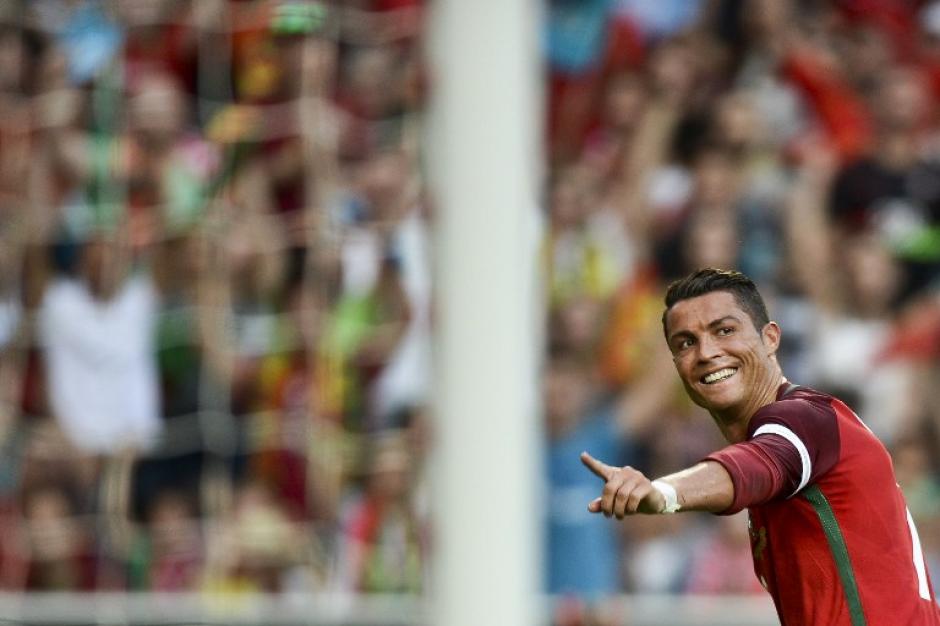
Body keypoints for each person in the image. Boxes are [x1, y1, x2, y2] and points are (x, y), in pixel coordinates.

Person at [581, 268, 940, 625]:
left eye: (724, 331)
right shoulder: (800, 445)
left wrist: (662, 493)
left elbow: (754, 466)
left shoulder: (805, 420)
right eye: (686, 343)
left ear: (770, 338)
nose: (706, 352)